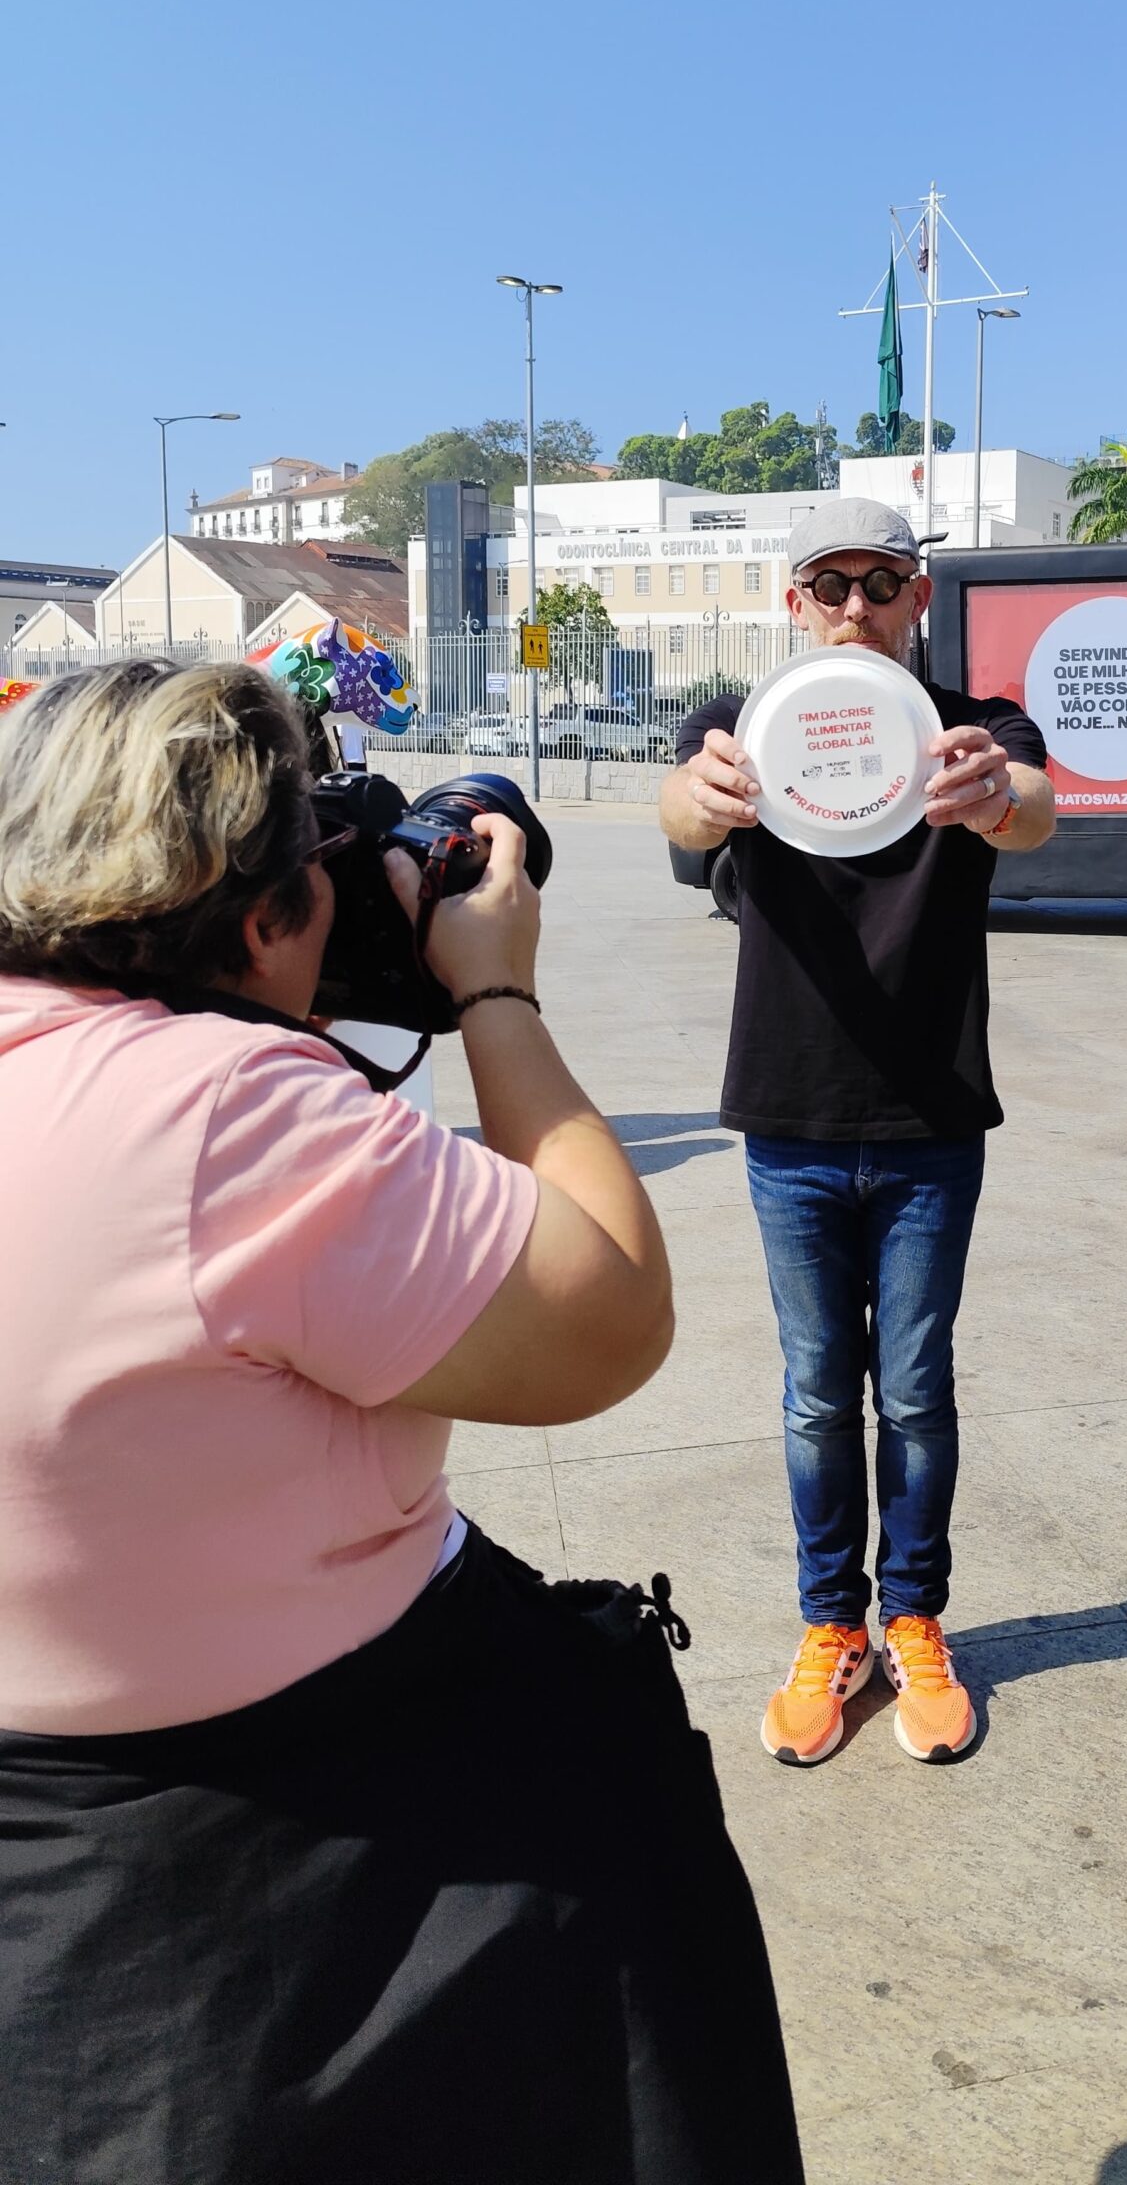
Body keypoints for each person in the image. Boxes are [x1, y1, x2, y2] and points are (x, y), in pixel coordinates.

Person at [0, 660, 805, 2185]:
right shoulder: (225, 1111)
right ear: (260, 920)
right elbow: (607, 1317)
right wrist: (493, 991)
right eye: (318, 861)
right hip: (309, 1843)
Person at [659, 499, 1056, 1770]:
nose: (854, 607)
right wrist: (699, 796)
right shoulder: (749, 730)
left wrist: (995, 796)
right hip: (790, 1113)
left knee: (920, 1389)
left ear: (917, 596)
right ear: (794, 601)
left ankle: (914, 1616)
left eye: (881, 582)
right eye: (828, 585)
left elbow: (1033, 805)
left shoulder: (972, 731)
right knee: (821, 1392)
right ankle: (832, 1621)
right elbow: (681, 812)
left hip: (933, 1116)